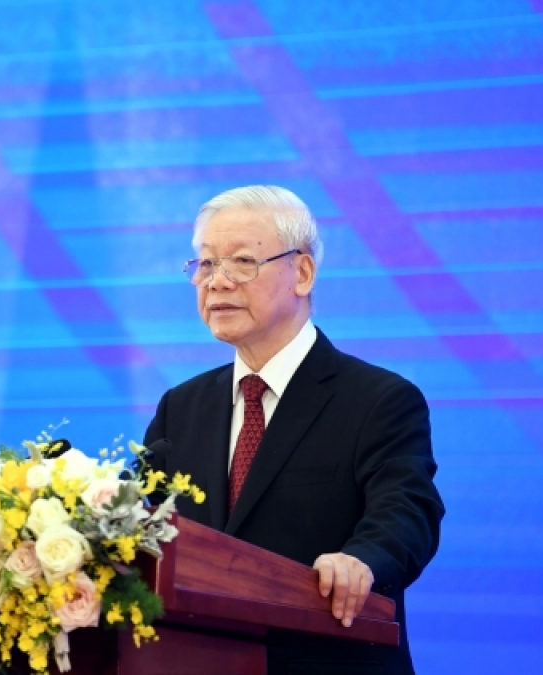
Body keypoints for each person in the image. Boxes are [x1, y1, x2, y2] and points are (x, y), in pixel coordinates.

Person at [143, 185, 444, 675]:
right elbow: (141, 521)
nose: (216, 282)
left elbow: (406, 510)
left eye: (241, 261)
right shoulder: (182, 407)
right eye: (205, 264)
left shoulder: (378, 400)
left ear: (301, 272)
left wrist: (361, 561)